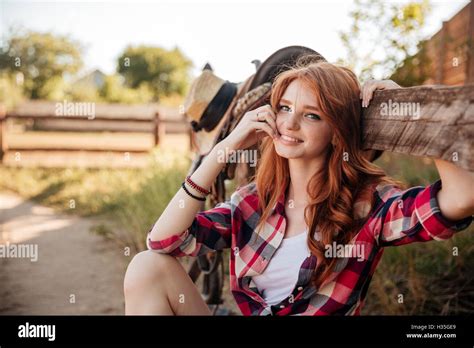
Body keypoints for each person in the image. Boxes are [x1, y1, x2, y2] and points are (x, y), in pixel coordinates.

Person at [124, 58, 473, 316]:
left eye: (311, 115)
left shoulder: (368, 205)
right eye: (285, 107)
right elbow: (163, 241)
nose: (289, 122)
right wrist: (224, 147)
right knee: (147, 266)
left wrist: (412, 114)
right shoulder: (251, 202)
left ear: (337, 131)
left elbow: (462, 198)